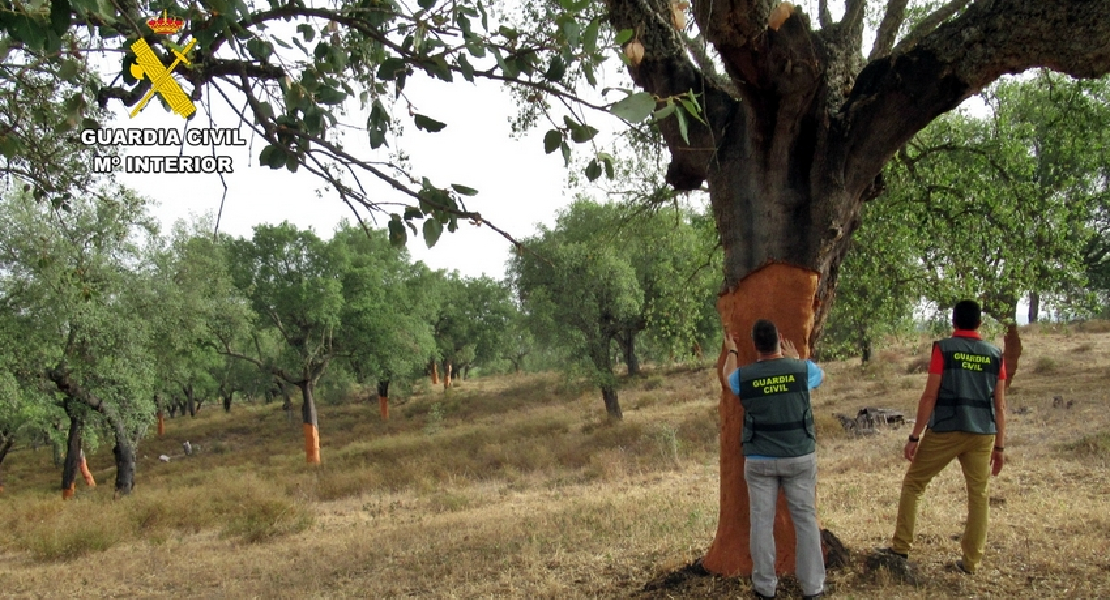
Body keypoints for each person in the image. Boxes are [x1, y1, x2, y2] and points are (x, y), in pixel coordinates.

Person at [888, 300, 1007, 574]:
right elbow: (1000, 405)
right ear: (980, 323)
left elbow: (930, 394)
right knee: (979, 495)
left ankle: (901, 548)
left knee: (914, 484)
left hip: (945, 429)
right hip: (983, 433)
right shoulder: (994, 354)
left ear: (953, 322)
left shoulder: (944, 349)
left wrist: (914, 436)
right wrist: (999, 446)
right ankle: (971, 562)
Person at [723, 319, 826, 600]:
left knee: (761, 523)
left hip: (760, 460)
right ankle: (813, 588)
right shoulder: (803, 371)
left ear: (755, 345)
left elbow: (727, 378)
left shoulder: (744, 377)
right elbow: (820, 376)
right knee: (805, 521)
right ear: (780, 338)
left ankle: (765, 588)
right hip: (799, 456)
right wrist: (797, 359)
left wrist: (732, 351)